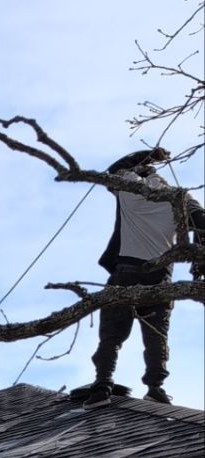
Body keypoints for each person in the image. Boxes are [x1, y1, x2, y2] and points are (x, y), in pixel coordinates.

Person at [73, 149, 205, 406]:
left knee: (112, 333)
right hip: (160, 276)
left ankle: (102, 384)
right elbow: (203, 224)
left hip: (127, 272)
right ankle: (156, 388)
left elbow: (114, 169)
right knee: (156, 335)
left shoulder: (129, 189)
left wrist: (148, 155)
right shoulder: (179, 198)